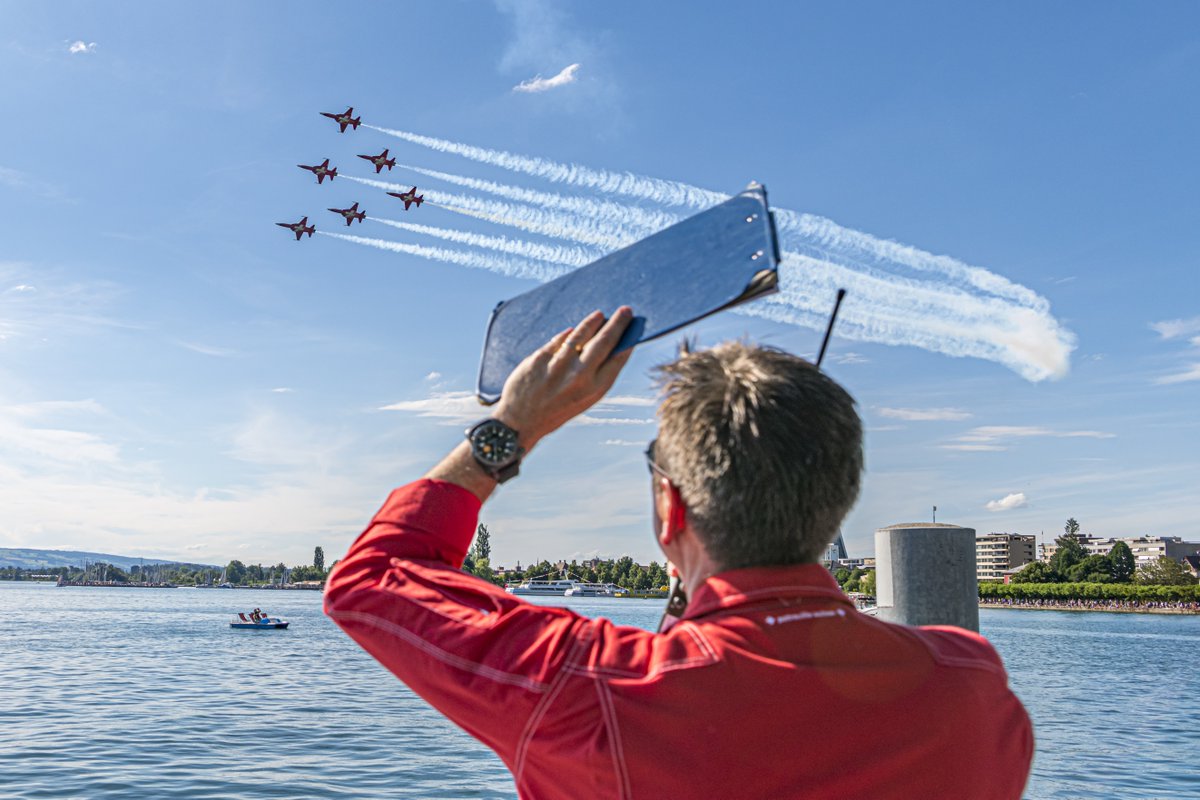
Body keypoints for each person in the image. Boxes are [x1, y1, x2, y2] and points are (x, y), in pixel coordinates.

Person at [325, 307, 1033, 799]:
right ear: (839, 498)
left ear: (671, 510)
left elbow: (370, 580)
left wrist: (514, 425)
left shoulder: (592, 687)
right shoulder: (969, 683)